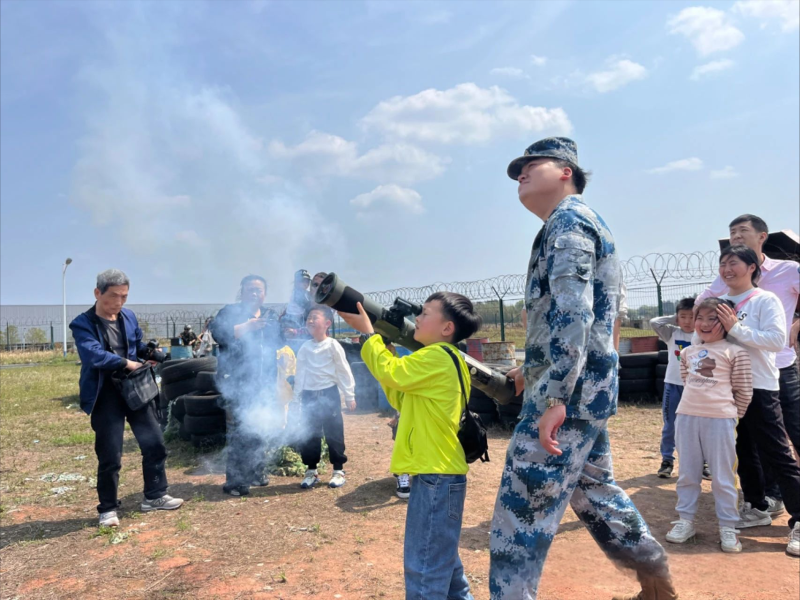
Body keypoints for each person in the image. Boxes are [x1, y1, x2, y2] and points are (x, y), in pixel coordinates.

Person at [491, 137, 677, 600]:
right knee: (595, 490)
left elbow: (575, 314)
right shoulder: (574, 223)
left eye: (534, 164)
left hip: (567, 394)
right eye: (518, 168)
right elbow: (596, 321)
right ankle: (656, 581)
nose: (522, 173)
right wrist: (532, 370)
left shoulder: (569, 222)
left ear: (567, 171)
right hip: (583, 387)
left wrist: (555, 395)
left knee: (522, 512)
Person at [339, 292, 481, 600]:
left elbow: (391, 372)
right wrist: (384, 346)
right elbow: (400, 395)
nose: (417, 317)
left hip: (436, 479)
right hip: (438, 476)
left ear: (447, 328)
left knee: (425, 570)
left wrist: (370, 336)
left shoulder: (438, 356)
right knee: (445, 566)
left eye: (426, 313)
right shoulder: (445, 359)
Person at [695, 215, 800, 515]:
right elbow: (701, 315)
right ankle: (759, 504)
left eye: (742, 231)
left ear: (761, 238)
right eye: (731, 233)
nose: (736, 237)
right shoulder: (722, 293)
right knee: (745, 447)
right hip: (732, 384)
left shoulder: (774, 288)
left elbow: (774, 339)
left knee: (783, 441)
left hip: (774, 373)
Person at [70, 269, 183, 528]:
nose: (119, 302)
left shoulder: (128, 317)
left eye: (124, 296)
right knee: (111, 454)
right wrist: (129, 363)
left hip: (136, 389)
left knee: (154, 442)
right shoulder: (82, 323)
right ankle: (108, 509)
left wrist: (152, 352)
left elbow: (137, 344)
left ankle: (154, 496)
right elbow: (93, 356)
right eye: (114, 296)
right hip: (105, 393)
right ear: (97, 293)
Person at [665, 298, 753, 553]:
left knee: (723, 476)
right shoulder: (689, 352)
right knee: (688, 473)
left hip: (721, 420)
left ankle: (728, 527)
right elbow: (686, 380)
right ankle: (685, 521)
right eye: (698, 318)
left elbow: (743, 390)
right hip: (687, 418)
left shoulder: (736, 352)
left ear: (726, 321)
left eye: (711, 318)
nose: (703, 323)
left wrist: (732, 414)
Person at [210, 275, 283, 497]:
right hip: (237, 382)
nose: (254, 293)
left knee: (260, 426)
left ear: (265, 294)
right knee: (239, 431)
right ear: (242, 292)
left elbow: (278, 343)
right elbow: (217, 335)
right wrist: (246, 326)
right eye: (250, 289)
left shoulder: (271, 316)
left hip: (264, 383)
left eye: (258, 290)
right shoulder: (229, 313)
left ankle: (256, 472)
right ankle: (235, 481)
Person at [292, 305, 356, 489]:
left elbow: (343, 371)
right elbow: (300, 375)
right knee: (310, 434)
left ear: (327, 323)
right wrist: (297, 399)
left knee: (334, 433)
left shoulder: (333, 345)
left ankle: (338, 471)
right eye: (308, 318)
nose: (310, 321)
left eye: (315, 318)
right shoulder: (305, 348)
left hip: (329, 395)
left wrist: (349, 395)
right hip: (309, 397)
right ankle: (311, 471)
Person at [650, 298, 701, 479]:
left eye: (692, 317)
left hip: (697, 388)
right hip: (673, 386)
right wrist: (675, 318)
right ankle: (667, 460)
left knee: (699, 426)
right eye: (683, 317)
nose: (687, 321)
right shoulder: (671, 334)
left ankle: (702, 462)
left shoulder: (704, 335)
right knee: (671, 424)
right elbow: (654, 322)